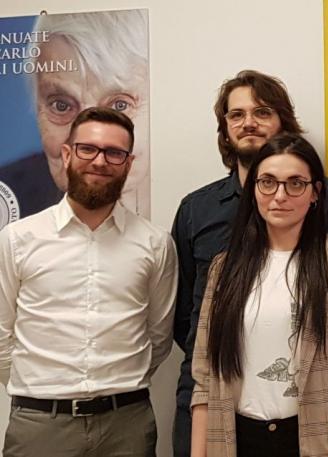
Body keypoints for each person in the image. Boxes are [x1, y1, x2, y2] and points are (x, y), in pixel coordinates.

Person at [172, 70, 328, 457]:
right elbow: (183, 320)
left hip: (312, 420)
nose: (281, 196)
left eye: (262, 111)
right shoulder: (202, 219)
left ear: (313, 194)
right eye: (237, 114)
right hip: (221, 407)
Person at [0, 107, 177, 456]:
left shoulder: (155, 244)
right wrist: (44, 393)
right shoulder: (18, 238)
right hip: (41, 426)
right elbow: (1, 333)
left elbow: (158, 336)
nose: (100, 161)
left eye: (114, 153)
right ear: (67, 154)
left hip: (126, 425)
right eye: (88, 149)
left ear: (127, 163)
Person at [0, 10, 150, 219]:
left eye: (119, 106)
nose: (87, 138)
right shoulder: (12, 213)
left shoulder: (172, 233)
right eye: (61, 106)